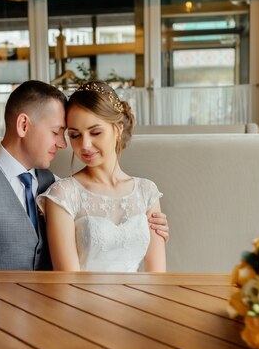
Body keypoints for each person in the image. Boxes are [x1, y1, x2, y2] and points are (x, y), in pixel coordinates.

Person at [0, 80, 169, 270]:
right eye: (58, 132)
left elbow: (99, 211)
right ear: (23, 125)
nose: (63, 144)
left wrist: (145, 225)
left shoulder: (55, 185)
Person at [38, 81, 166, 272]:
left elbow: (157, 276)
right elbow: (68, 282)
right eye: (75, 135)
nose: (85, 145)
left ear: (118, 129)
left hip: (140, 300)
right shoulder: (63, 195)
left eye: (95, 132)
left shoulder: (146, 192)